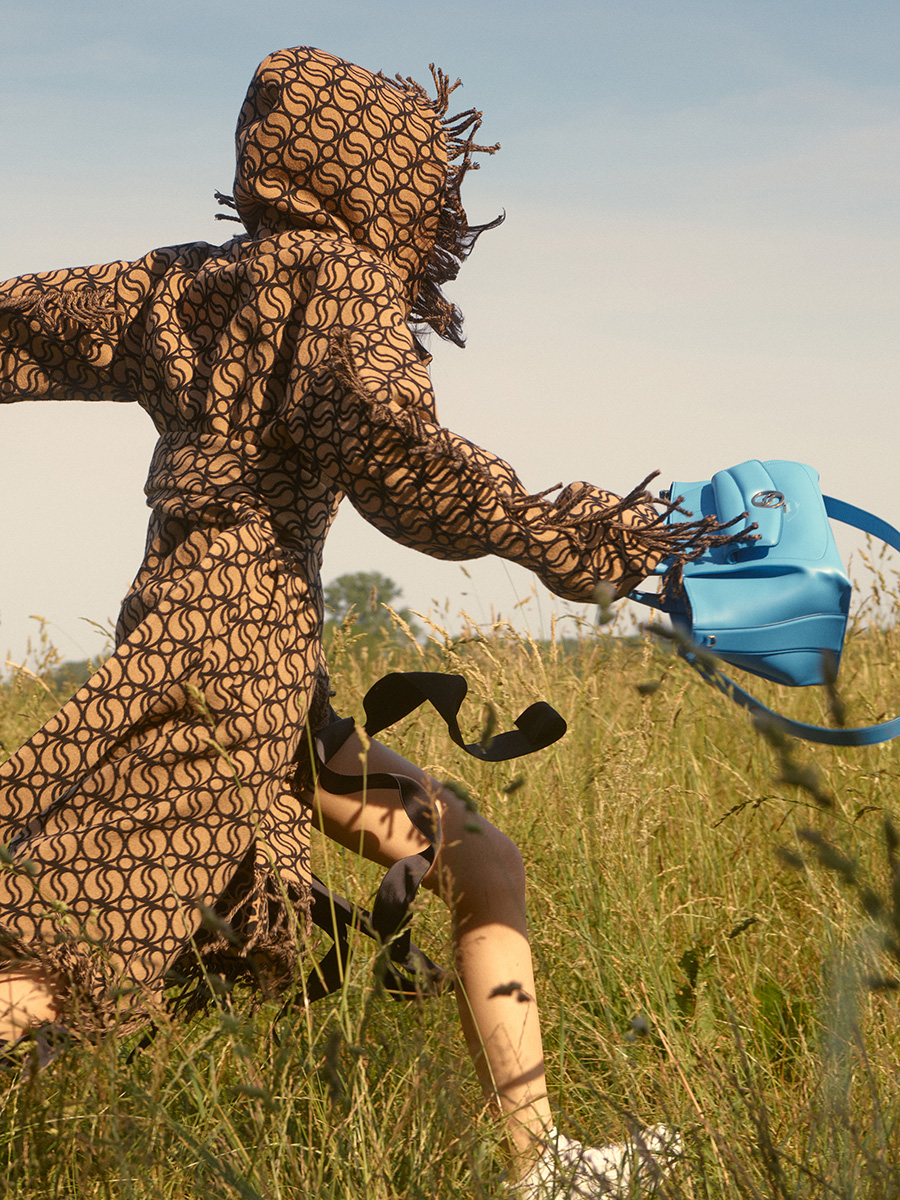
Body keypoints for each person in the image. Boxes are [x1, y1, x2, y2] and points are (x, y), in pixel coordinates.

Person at [0, 46, 725, 1195]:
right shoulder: (338, 281)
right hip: (223, 675)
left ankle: (541, 1171)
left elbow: (20, 322)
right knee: (67, 966)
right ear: (374, 176)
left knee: (477, 857)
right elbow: (393, 453)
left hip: (257, 670)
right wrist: (559, 537)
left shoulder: (177, 282)